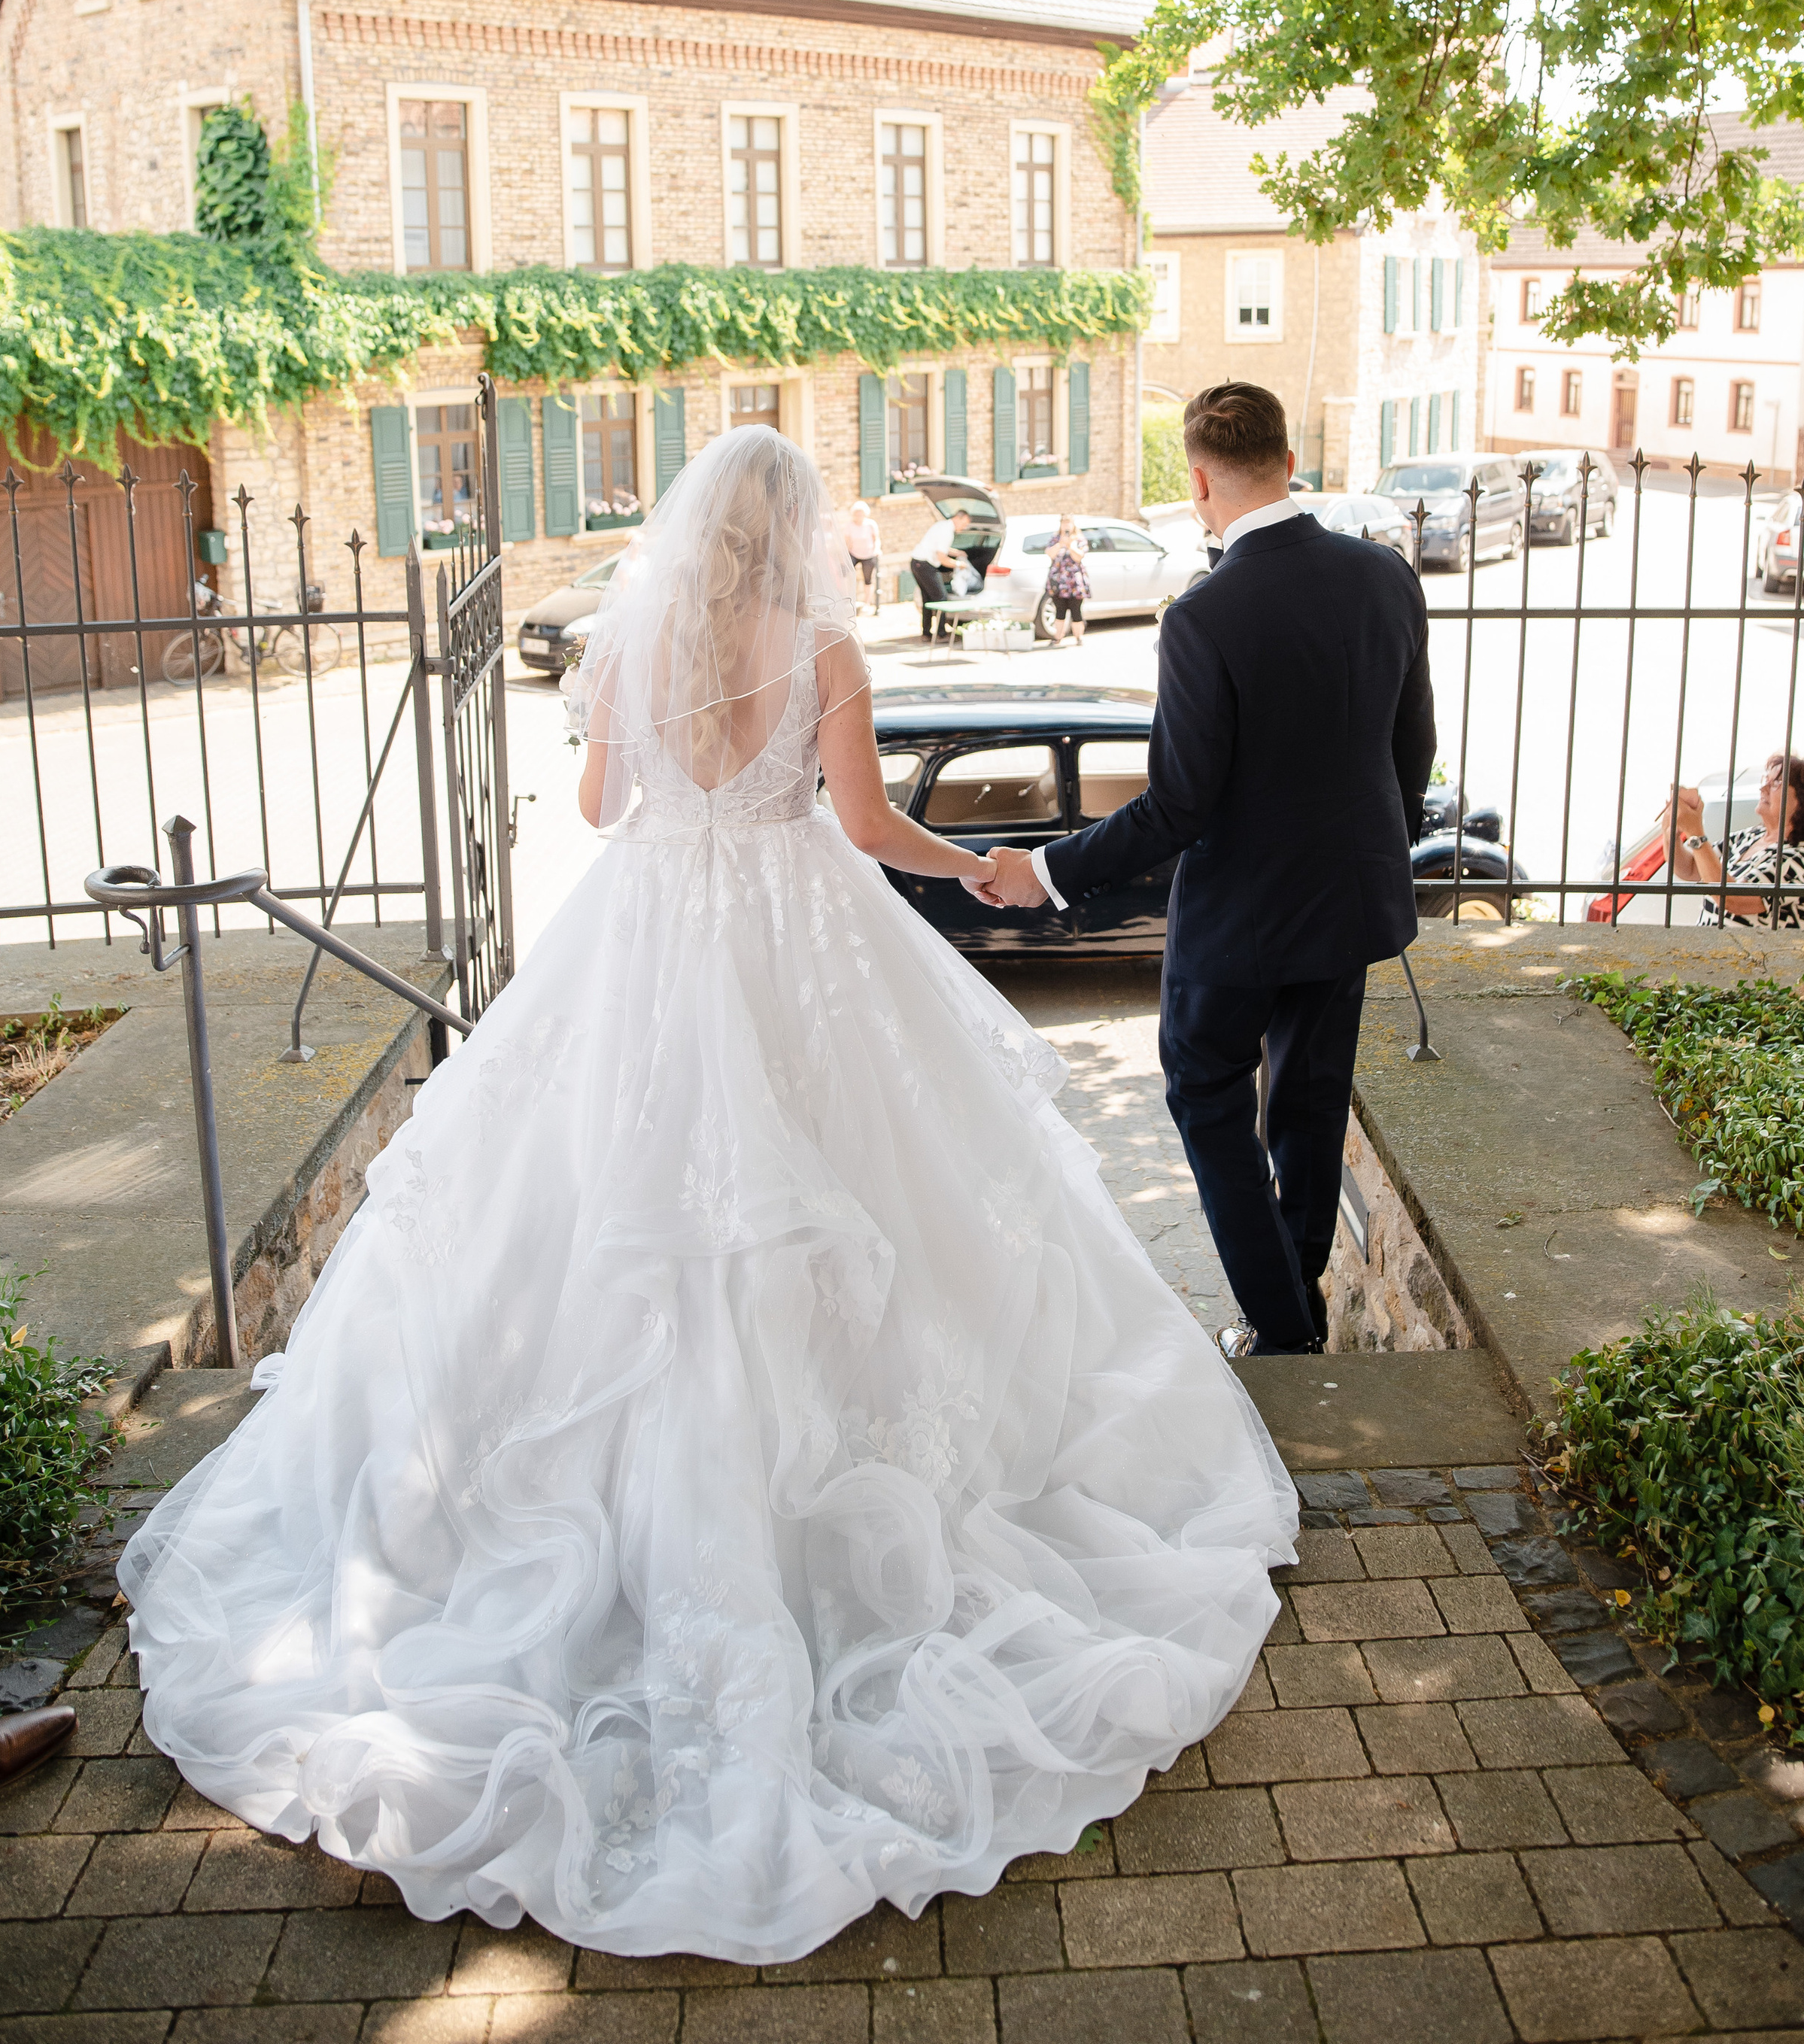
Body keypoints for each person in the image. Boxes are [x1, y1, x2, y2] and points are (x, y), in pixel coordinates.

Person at [119, 428, 1295, 1964]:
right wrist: (986, 870)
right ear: (797, 530)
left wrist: (672, 772)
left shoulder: (640, 632)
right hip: (800, 941)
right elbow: (867, 831)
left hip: (647, 947)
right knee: (847, 1220)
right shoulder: (821, 645)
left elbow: (604, 809)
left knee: (608, 1230)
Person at [975, 382, 1435, 1359]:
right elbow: (1412, 753)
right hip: (1349, 905)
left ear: (1197, 481)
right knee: (1307, 1107)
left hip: (1239, 926)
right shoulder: (1386, 576)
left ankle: (1282, 1325)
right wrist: (1360, 864)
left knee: (1205, 1090)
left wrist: (1048, 871)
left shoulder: (1204, 615)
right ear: (1288, 458)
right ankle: (1294, 1314)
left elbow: (1179, 805)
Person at [1663, 750, 1804, 929]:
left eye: (1777, 783)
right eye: (1765, 780)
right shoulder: (1750, 837)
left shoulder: (1803, 861)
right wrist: (1672, 827)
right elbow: (1689, 869)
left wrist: (1695, 832)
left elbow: (1733, 899)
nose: (1763, 788)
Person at [908, 506, 957, 641]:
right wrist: (958, 564)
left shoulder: (941, 525)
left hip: (916, 562)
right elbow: (942, 557)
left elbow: (939, 547)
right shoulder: (948, 532)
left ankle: (926, 633)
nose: (964, 527)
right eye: (965, 523)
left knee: (927, 599)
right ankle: (941, 634)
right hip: (925, 565)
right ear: (959, 518)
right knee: (941, 598)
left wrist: (957, 553)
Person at [1043, 513, 1090, 644]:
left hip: (1074, 582)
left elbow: (1079, 557)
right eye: (1064, 522)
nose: (1066, 525)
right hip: (1058, 581)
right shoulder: (1055, 538)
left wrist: (1070, 545)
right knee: (1059, 610)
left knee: (1076, 610)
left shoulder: (1079, 539)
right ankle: (1058, 637)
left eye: (1068, 522)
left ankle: (1078, 637)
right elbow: (1050, 554)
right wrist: (1060, 544)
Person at [842, 497, 881, 611]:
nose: (859, 516)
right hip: (854, 553)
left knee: (868, 579)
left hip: (869, 554)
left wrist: (877, 549)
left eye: (861, 514)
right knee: (846, 573)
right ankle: (848, 598)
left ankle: (867, 603)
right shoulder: (849, 525)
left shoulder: (871, 524)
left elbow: (876, 539)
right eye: (857, 514)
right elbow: (847, 541)